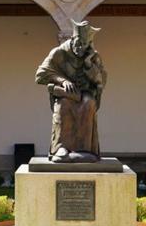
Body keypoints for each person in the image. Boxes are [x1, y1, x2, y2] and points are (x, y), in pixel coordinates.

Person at [35, 20, 107, 163]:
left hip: (84, 93)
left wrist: (88, 64)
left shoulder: (93, 57)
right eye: (78, 42)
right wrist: (62, 81)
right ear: (73, 39)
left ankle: (85, 150)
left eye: (84, 45)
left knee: (89, 103)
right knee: (64, 104)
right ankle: (61, 148)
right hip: (65, 94)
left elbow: (101, 81)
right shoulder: (59, 53)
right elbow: (40, 75)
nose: (80, 47)